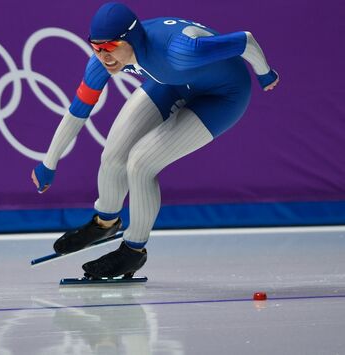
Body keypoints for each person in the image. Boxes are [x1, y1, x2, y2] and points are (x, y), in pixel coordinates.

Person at [31, 2, 279, 279]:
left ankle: (133, 251)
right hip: (169, 82)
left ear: (131, 40)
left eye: (111, 47)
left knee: (140, 163)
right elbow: (77, 112)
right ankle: (105, 222)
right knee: (113, 156)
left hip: (222, 95)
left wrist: (265, 73)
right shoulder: (101, 61)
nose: (103, 56)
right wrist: (48, 162)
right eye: (96, 47)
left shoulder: (180, 52)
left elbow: (245, 40)